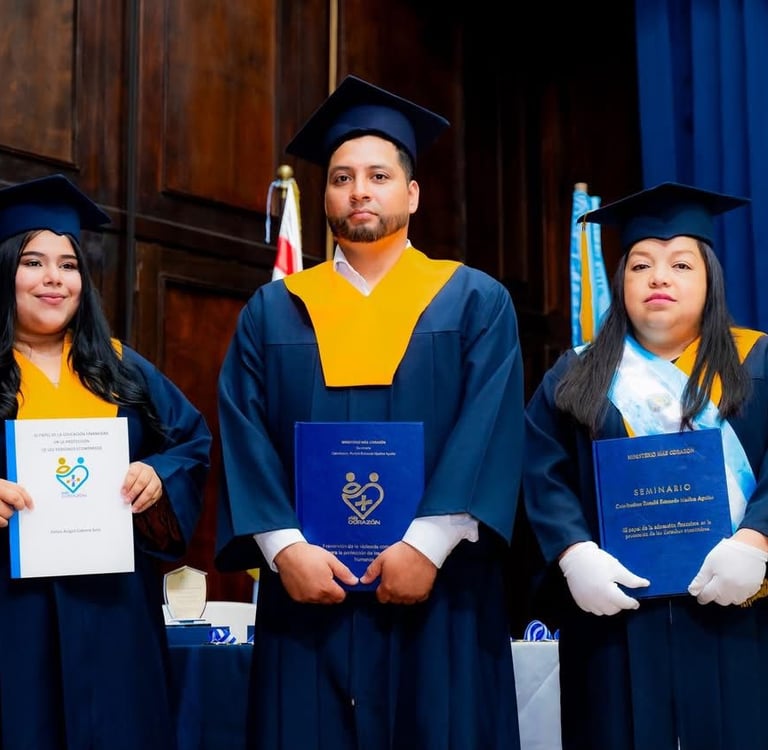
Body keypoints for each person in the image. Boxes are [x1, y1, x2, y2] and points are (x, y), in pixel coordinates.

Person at [216, 75, 525, 750]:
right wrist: (285, 550)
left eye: (378, 176)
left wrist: (427, 546)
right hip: (309, 590)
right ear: (325, 196)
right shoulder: (275, 309)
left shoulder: (474, 301)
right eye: (342, 178)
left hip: (442, 587)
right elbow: (243, 430)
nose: (359, 191)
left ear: (411, 194)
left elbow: (490, 429)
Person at [522, 181, 768, 750]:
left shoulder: (757, 361)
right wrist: (573, 553)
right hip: (615, 623)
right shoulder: (575, 375)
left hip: (739, 614)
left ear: (710, 279)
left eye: (680, 264)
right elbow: (540, 472)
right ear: (621, 283)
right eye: (640, 265)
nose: (659, 278)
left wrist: (757, 539)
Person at [0, 173, 212, 749]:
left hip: (116, 612)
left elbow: (191, 443)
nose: (54, 278)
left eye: (68, 265)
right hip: (14, 616)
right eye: (33, 262)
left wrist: (157, 476)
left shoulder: (119, 368)